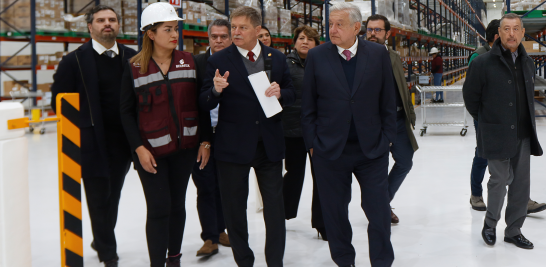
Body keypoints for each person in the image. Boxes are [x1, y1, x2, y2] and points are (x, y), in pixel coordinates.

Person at [301, 3, 396, 267]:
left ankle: (381, 261)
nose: (332, 29)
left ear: (357, 27)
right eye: (330, 24)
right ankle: (344, 261)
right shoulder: (318, 56)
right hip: (330, 151)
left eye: (339, 24)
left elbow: (388, 101)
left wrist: (387, 137)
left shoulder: (377, 54)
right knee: (335, 213)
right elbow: (308, 106)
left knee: (378, 213)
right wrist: (312, 144)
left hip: (371, 149)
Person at [200, 6, 295, 267]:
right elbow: (204, 101)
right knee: (235, 211)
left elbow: (291, 92)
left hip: (270, 146)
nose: (236, 32)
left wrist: (280, 93)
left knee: (275, 210)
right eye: (234, 27)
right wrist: (216, 91)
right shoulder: (218, 61)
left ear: (257, 30)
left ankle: (275, 261)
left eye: (242, 27)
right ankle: (244, 261)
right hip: (233, 148)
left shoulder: (276, 58)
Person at [119, 3, 211, 266]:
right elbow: (125, 112)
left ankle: (174, 258)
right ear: (150, 34)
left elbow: (201, 105)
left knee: (177, 206)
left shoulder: (190, 61)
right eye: (168, 29)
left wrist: (205, 140)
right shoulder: (134, 67)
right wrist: (138, 149)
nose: (175, 34)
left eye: (176, 28)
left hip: (185, 150)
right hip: (150, 154)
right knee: (159, 208)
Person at [50, 5, 137, 267]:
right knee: (98, 198)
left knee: (114, 196)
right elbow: (59, 102)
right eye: (101, 20)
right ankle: (108, 253)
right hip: (91, 143)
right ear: (90, 27)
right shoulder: (73, 60)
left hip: (122, 143)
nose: (107, 24)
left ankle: (101, 239)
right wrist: (76, 133)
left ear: (118, 25)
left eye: (112, 20)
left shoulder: (131, 58)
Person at [463, 13, 543, 250]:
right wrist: (488, 122)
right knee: (499, 181)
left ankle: (514, 230)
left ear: (521, 32)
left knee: (521, 184)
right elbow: (471, 99)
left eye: (515, 29)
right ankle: (489, 225)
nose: (511, 34)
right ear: (499, 34)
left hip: (523, 133)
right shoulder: (482, 62)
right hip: (497, 132)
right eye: (506, 29)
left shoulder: (528, 62)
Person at [366, 14, 419, 224]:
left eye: (378, 30)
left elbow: (403, 89)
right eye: (369, 29)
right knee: (378, 168)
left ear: (387, 34)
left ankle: (380, 202)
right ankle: (381, 208)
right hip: (375, 123)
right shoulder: (361, 56)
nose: (372, 34)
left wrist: (410, 114)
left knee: (405, 162)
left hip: (397, 119)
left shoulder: (394, 56)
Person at [192, 19, 232, 257]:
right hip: (202, 136)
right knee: (205, 185)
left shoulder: (237, 62)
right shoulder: (196, 63)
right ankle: (209, 237)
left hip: (229, 135)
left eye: (223, 36)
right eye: (214, 36)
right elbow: (195, 104)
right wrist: (203, 140)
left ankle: (221, 229)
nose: (218, 40)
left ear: (230, 38)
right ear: (208, 38)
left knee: (226, 186)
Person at [281, 25, 326, 239]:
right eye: (300, 38)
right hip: (292, 130)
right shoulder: (284, 64)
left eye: (309, 39)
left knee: (321, 177)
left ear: (317, 43)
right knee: (294, 174)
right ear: (294, 42)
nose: (304, 42)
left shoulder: (323, 63)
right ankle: (282, 214)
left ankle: (322, 223)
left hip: (318, 131)